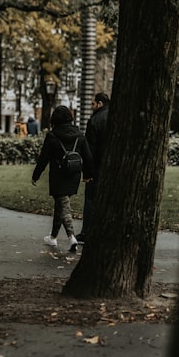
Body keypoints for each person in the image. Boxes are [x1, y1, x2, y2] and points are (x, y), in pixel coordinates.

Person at [31, 105, 93, 253]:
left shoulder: (52, 136)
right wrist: (87, 174)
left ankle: (72, 237)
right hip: (74, 175)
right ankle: (53, 237)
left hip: (58, 175)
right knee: (61, 205)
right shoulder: (80, 135)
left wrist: (36, 175)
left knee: (63, 206)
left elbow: (43, 158)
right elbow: (88, 157)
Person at [78, 92, 110, 244]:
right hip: (112, 167)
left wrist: (87, 172)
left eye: (93, 104)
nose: (91, 107)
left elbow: (89, 150)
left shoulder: (95, 120)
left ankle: (86, 232)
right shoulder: (117, 116)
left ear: (100, 104)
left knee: (90, 199)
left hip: (97, 167)